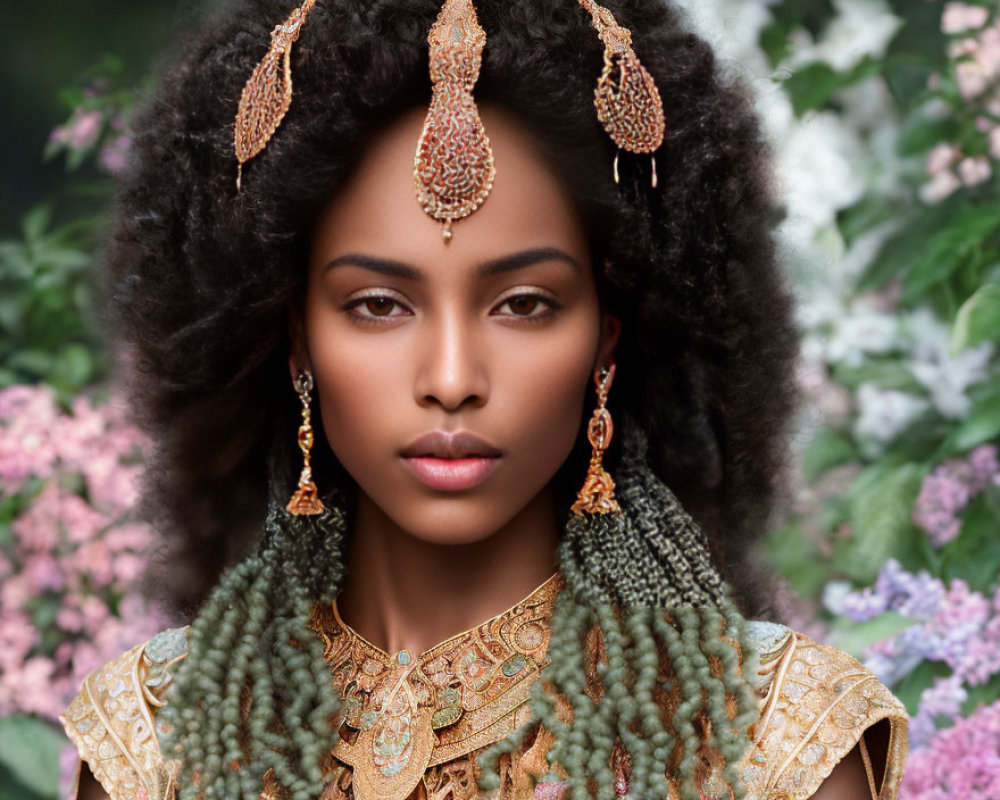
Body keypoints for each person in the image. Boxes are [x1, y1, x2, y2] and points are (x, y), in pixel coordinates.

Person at [59, 1, 909, 799]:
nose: (454, 376)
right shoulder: (162, 743)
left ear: (608, 337)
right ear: (296, 339)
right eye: (378, 305)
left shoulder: (770, 740)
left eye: (524, 304)